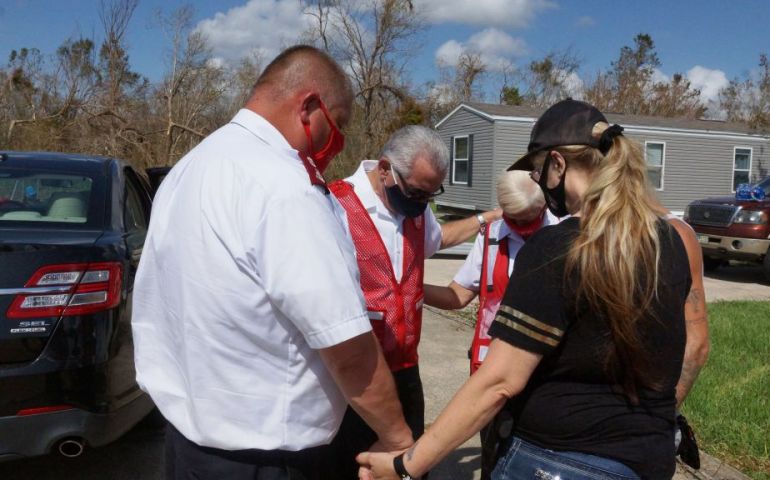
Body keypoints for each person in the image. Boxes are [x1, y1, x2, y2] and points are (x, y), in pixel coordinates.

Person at [357, 99, 709, 480]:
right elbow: (690, 345)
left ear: (558, 164)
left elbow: (500, 382)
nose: (540, 183)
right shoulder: (670, 243)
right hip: (647, 458)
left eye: (539, 171)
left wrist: (407, 465)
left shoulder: (559, 247)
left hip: (558, 461)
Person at [131, 45, 413, 480]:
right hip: (264, 460)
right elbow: (346, 345)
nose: (333, 144)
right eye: (336, 127)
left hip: (187, 446)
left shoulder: (191, 167)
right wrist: (398, 440)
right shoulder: (285, 188)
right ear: (310, 107)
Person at [327, 125, 501, 479]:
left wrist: (487, 219)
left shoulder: (416, 211)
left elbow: (439, 238)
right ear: (386, 169)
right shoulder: (335, 207)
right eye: (418, 193)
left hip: (406, 371)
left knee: (407, 468)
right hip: (355, 377)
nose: (423, 204)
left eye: (431, 194)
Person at [423, 169, 558, 479]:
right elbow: (458, 295)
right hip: (491, 367)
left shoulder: (562, 236)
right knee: (493, 455)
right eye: (515, 220)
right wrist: (413, 288)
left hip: (545, 369)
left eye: (529, 219)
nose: (522, 228)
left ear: (543, 208)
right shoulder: (492, 237)